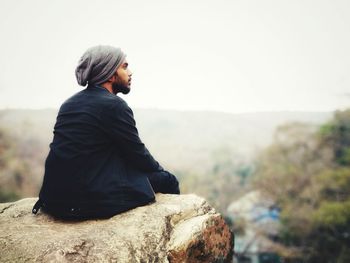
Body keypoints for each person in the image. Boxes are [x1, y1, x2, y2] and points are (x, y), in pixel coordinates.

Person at [32, 45, 180, 219]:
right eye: (124, 67)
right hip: (83, 202)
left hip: (54, 199)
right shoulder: (113, 105)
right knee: (168, 180)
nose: (130, 72)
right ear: (110, 74)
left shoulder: (69, 103)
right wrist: (159, 172)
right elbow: (137, 154)